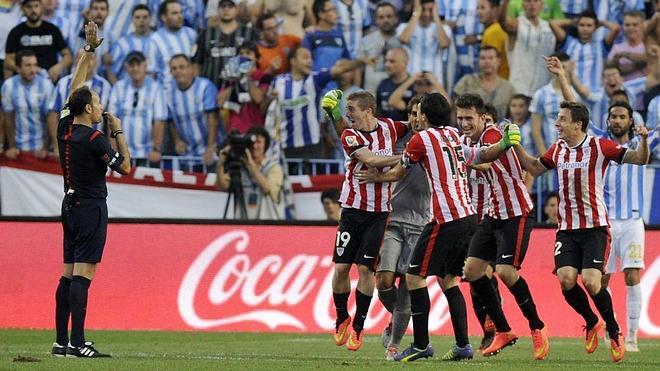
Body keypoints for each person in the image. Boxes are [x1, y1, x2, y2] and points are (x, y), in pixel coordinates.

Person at [366, 93, 521, 362]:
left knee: (414, 277)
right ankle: (463, 345)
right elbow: (482, 153)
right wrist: (506, 143)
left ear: (424, 116)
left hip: (445, 219)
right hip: (469, 216)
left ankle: (421, 344)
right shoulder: (453, 135)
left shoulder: (421, 140)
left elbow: (397, 172)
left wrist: (375, 176)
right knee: (448, 280)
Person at [513, 92, 650, 362]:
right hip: (567, 229)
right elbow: (533, 167)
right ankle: (591, 321)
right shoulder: (558, 150)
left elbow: (640, 159)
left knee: (590, 280)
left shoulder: (601, 146)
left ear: (578, 124)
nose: (557, 124)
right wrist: (513, 144)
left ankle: (614, 330)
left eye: (562, 119)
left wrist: (644, 139)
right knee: (566, 280)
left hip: (595, 227)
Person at [51, 21, 130, 358]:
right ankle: (80, 342)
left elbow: (75, 85)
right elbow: (125, 167)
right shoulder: (97, 138)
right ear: (89, 110)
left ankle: (60, 342)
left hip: (69, 205)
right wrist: (119, 131)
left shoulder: (65, 128)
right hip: (91, 207)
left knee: (67, 276)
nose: (101, 108)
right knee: (84, 275)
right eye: (97, 104)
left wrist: (88, 50)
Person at [458, 94, 548, 361]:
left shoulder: (493, 134)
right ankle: (504, 330)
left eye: (469, 117)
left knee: (505, 272)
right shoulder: (464, 141)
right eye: (460, 117)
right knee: (472, 271)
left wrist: (470, 160)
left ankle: (537, 326)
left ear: (482, 117)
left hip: (517, 212)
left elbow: (488, 153)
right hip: (491, 213)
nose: (464, 123)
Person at [320, 90, 408, 352]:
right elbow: (370, 160)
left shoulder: (392, 127)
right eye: (345, 112)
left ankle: (358, 327)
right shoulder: (350, 135)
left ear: (369, 110)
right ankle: (341, 317)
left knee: (366, 270)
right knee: (341, 268)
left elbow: (415, 128)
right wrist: (405, 158)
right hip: (351, 209)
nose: (349, 115)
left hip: (379, 213)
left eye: (352, 110)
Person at [354, 95, 427, 361]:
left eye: (419, 113)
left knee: (408, 283)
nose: (415, 118)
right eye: (411, 113)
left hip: (421, 222)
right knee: (383, 281)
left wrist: (380, 175)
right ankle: (398, 318)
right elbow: (362, 140)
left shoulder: (434, 142)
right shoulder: (394, 138)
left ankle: (394, 344)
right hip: (391, 219)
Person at [601, 101, 659, 352]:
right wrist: (561, 78)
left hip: (633, 220)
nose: (617, 120)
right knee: (600, 280)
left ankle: (633, 336)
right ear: (608, 120)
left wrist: (645, 137)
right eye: (613, 116)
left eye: (622, 116)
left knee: (632, 275)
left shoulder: (640, 144)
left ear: (630, 121)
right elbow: (577, 113)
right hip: (605, 222)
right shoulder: (601, 144)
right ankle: (612, 329)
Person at [269, 46, 371, 161]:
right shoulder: (278, 82)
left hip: (311, 146)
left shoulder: (315, 79)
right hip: (285, 145)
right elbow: (265, 108)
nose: (310, 61)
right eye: (305, 57)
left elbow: (338, 69)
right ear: (293, 61)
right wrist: (268, 98)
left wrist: (360, 62)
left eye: (311, 58)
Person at [47, 49, 111, 155]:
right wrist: (56, 144)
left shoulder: (105, 86)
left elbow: (109, 118)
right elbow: (53, 114)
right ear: (76, 61)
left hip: (95, 147)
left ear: (96, 62)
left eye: (90, 58)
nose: (87, 61)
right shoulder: (63, 83)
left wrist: (109, 147)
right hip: (68, 145)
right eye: (81, 58)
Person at [108, 51, 166, 165]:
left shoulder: (156, 88)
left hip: (147, 155)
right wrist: (113, 150)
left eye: (138, 64)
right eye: (131, 65)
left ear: (145, 65)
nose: (135, 68)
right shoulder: (118, 87)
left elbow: (159, 122)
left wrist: (156, 149)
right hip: (122, 154)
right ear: (126, 67)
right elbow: (112, 120)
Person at [216, 127, 285, 220]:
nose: (255, 146)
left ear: (265, 145)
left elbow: (267, 188)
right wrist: (220, 163)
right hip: (244, 224)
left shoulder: (273, 168)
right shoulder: (240, 167)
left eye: (259, 142)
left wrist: (250, 164)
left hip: (267, 225)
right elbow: (222, 186)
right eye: (252, 143)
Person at [165, 54, 219, 167]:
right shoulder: (169, 94)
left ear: (190, 68)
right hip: (187, 156)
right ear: (170, 72)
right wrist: (177, 141)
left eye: (182, 67)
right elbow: (171, 121)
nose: (178, 71)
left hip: (210, 154)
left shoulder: (205, 87)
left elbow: (212, 119)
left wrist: (210, 148)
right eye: (174, 68)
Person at [1, 49, 54, 160]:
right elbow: (8, 118)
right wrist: (12, 146)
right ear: (18, 68)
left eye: (35, 65)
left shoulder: (46, 85)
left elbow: (51, 118)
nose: (33, 70)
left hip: (41, 150)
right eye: (28, 65)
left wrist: (45, 147)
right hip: (18, 149)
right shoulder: (8, 86)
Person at [550, 10, 620, 91]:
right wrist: (573, 21)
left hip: (593, 92)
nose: (585, 28)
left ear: (595, 27)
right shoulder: (568, 42)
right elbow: (553, 23)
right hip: (570, 91)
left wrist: (601, 23)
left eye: (589, 25)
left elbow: (616, 28)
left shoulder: (601, 46)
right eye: (582, 25)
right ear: (577, 26)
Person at [498, 0, 556, 97]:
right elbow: (502, 22)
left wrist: (573, 21)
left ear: (542, 5)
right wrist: (505, 2)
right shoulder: (516, 24)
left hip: (543, 91)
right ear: (523, 5)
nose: (532, 4)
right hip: (519, 89)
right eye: (528, 1)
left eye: (536, 1)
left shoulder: (549, 28)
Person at [193, 0, 257, 86]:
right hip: (211, 89)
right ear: (217, 9)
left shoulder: (249, 33)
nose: (226, 9)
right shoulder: (205, 34)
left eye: (230, 6)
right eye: (223, 6)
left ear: (236, 9)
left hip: (240, 90)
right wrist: (197, 86)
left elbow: (256, 62)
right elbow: (196, 63)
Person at [4, 0, 72, 81]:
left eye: (36, 6)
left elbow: (68, 56)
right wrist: (26, 69)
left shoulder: (52, 29)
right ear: (22, 8)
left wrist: (58, 67)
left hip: (49, 80)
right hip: (23, 81)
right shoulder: (16, 32)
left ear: (41, 7)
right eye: (29, 7)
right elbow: (8, 61)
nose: (33, 10)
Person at [218, 41, 268, 134]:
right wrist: (236, 80)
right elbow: (219, 102)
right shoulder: (231, 78)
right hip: (235, 129)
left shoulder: (264, 76)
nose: (244, 56)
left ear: (256, 58)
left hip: (257, 129)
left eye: (248, 53)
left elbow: (259, 99)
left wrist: (246, 78)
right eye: (241, 54)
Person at [453, 46, 515, 119]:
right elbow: (454, 110)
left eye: (491, 58)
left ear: (499, 61)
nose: (487, 61)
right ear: (478, 61)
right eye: (483, 58)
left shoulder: (508, 88)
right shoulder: (466, 81)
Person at [303, 0, 351, 91]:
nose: (337, 13)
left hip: (336, 90)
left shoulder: (339, 35)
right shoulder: (310, 36)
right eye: (332, 10)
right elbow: (305, 63)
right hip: (316, 90)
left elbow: (346, 60)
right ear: (321, 14)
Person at [397, 0, 450, 82]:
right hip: (411, 79)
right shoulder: (403, 27)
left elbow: (444, 44)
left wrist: (436, 15)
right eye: (423, 9)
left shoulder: (444, 28)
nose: (426, 14)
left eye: (430, 10)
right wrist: (417, 12)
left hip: (435, 80)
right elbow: (404, 39)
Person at [103, 3, 153, 84]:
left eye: (145, 17)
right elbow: (111, 72)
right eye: (137, 17)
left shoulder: (158, 41)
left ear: (150, 19)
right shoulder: (122, 44)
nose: (141, 20)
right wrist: (120, 91)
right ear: (132, 20)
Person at [357, 2, 401, 93]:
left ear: (396, 18)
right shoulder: (365, 41)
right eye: (381, 17)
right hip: (371, 92)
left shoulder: (402, 40)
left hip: (396, 92)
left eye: (389, 16)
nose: (385, 20)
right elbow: (358, 70)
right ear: (376, 20)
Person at [148, 0, 196, 80]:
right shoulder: (155, 39)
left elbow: (196, 64)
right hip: (166, 89)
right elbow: (151, 72)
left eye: (181, 12)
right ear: (164, 17)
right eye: (175, 13)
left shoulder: (191, 34)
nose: (180, 16)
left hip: (190, 88)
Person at [608, 10, 647, 82]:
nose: (631, 28)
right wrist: (638, 65)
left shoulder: (649, 44)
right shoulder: (616, 48)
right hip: (625, 90)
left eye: (635, 24)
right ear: (622, 26)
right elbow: (613, 70)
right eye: (627, 25)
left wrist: (625, 54)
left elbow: (648, 59)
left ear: (642, 25)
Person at [376, 48, 413, 121]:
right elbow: (378, 110)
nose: (387, 64)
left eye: (392, 61)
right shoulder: (383, 84)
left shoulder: (415, 85)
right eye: (386, 61)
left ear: (405, 63)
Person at [478, 0, 510, 78]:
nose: (479, 12)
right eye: (477, 8)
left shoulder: (493, 31)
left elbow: (490, 66)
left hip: (499, 83)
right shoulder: (497, 28)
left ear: (495, 9)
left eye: (483, 8)